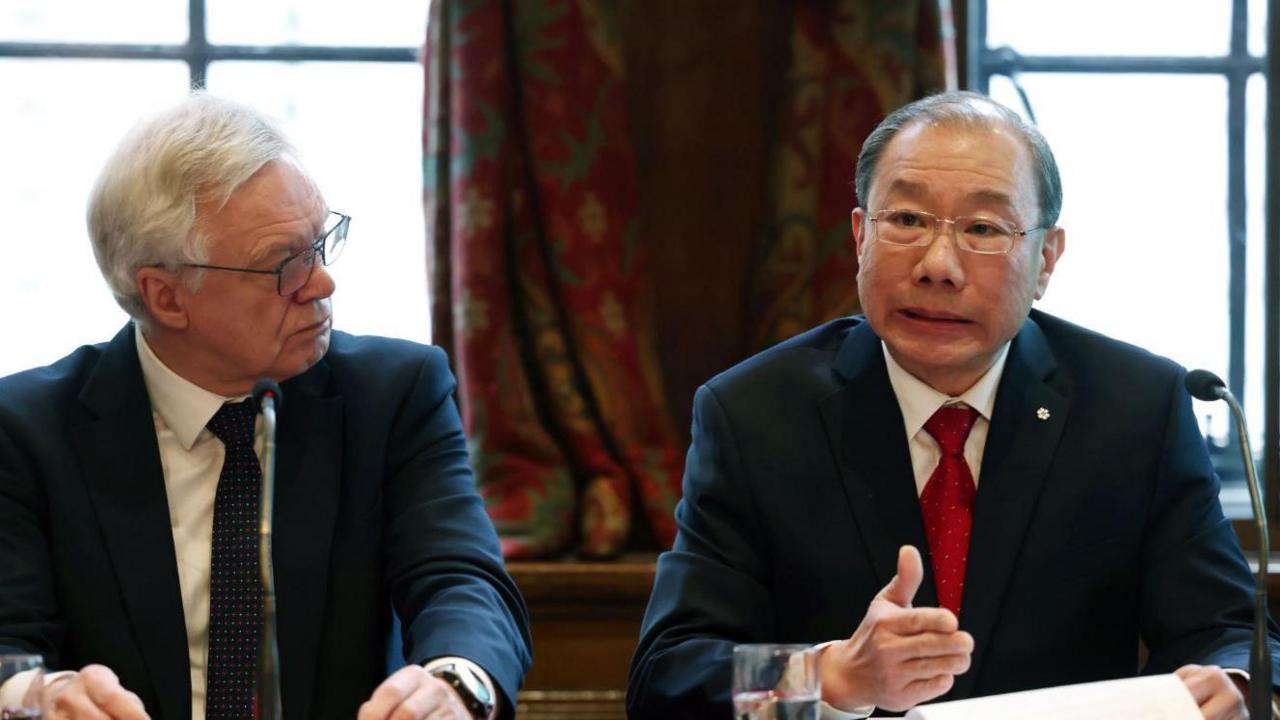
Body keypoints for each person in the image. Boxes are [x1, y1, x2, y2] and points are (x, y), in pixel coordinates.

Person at [626, 90, 1280, 720]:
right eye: (907, 220)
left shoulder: (1136, 409)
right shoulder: (754, 415)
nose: (939, 264)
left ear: (1046, 258)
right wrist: (831, 678)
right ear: (860, 237)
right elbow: (670, 676)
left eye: (983, 228)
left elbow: (1226, 631)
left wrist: (1234, 684)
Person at [0, 93, 531, 720]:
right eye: (285, 265)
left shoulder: (394, 396)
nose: (322, 283)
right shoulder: (28, 431)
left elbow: (463, 582)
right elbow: (9, 639)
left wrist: (455, 683)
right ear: (167, 297)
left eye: (321, 242)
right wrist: (32, 697)